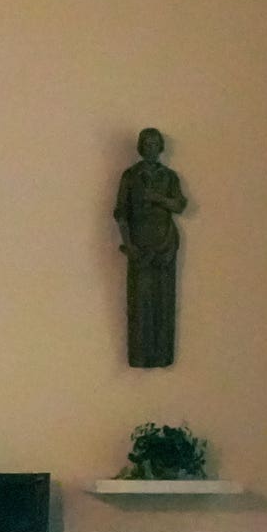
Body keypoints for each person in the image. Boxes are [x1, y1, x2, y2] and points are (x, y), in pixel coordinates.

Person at [114, 127, 186, 368]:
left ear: (161, 147)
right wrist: (129, 245)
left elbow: (179, 205)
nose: (151, 148)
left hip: (165, 245)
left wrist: (158, 198)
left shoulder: (169, 177)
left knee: (164, 301)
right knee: (140, 302)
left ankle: (162, 355)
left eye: (155, 144)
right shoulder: (130, 176)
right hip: (139, 248)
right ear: (140, 147)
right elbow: (121, 214)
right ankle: (140, 355)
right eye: (147, 144)